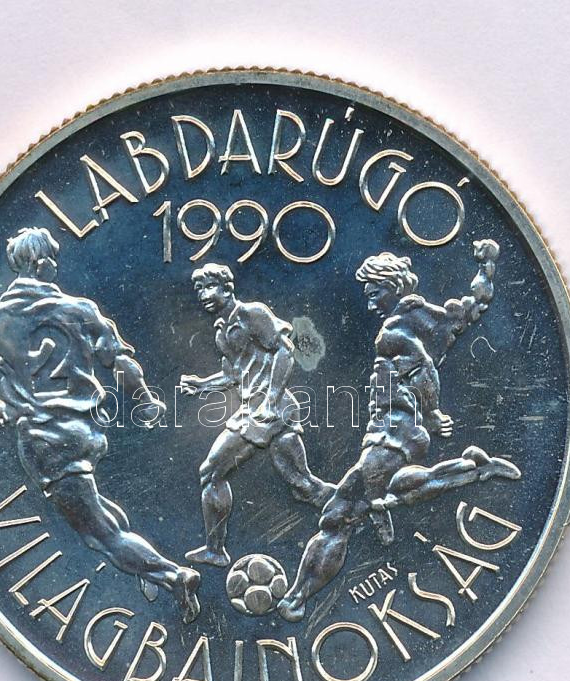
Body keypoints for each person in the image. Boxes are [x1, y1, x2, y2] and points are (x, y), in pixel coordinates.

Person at [0, 227, 200, 623]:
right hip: (87, 431)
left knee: (99, 534)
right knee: (95, 508)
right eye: (51, 258)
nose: (54, 264)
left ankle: (173, 577)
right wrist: (144, 398)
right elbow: (120, 362)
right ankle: (142, 564)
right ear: (41, 264)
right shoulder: (80, 309)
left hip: (45, 441)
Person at [278, 240, 520, 622]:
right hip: (405, 434)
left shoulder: (392, 332)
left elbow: (422, 367)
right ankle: (469, 468)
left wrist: (433, 409)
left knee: (338, 517)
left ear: (393, 287)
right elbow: (474, 307)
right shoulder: (428, 317)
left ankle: (296, 599)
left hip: (391, 433)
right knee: (396, 490)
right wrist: (487, 265)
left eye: (374, 293)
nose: (370, 303)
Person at [179, 263, 335, 567]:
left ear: (227, 288)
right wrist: (202, 385)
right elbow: (233, 376)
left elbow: (285, 351)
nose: (203, 295)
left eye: (210, 287)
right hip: (256, 409)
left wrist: (271, 401)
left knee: (211, 471)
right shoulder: (221, 330)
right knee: (303, 485)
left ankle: (215, 550)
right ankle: (360, 508)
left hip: (269, 410)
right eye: (199, 290)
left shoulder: (252, 313)